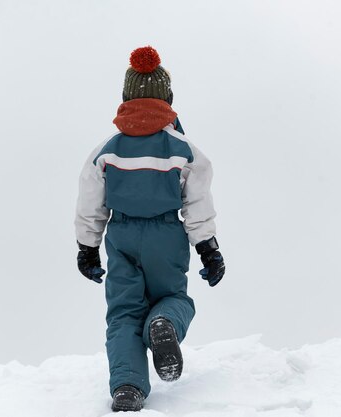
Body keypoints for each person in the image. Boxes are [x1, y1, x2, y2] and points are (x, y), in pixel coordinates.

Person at [74, 46, 226, 412]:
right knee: (174, 298)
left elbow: (90, 201)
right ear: (167, 98)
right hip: (166, 236)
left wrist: (87, 247)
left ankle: (128, 387)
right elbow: (197, 201)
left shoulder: (106, 150)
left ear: (126, 98)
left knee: (124, 313)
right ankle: (164, 322)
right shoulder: (183, 148)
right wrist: (208, 247)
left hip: (122, 235)